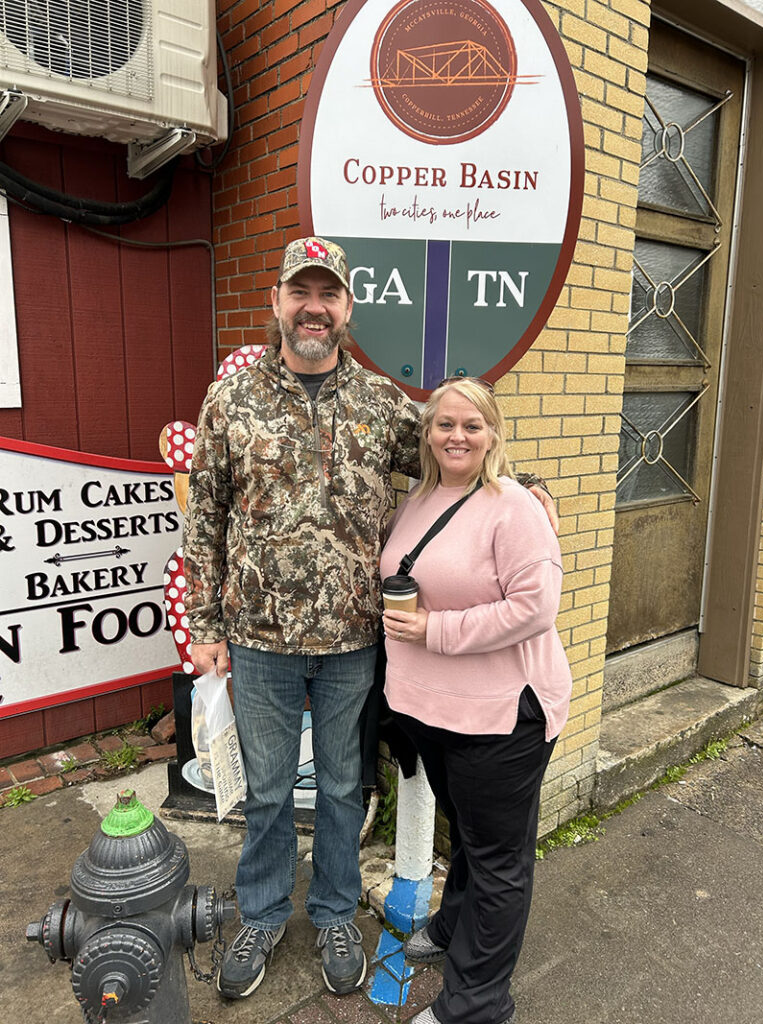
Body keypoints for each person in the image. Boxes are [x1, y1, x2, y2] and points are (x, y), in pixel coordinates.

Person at [182, 236, 558, 1002]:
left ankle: (332, 914)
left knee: (346, 786)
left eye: (328, 295)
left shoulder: (382, 404)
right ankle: (260, 912)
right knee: (269, 789)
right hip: (259, 638)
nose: (313, 308)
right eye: (300, 293)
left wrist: (529, 487)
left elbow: (459, 441)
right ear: (279, 302)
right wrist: (205, 624)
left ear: (347, 309)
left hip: (356, 639)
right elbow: (205, 514)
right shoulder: (232, 401)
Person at [380, 377, 573, 1024]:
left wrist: (437, 631)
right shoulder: (422, 495)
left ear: (493, 434)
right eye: (444, 425)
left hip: (501, 716)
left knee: (498, 861)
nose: (457, 436)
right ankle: (452, 925)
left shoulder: (514, 506)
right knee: (465, 833)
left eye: (472, 425)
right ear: (427, 433)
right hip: (434, 712)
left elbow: (536, 607)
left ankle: (476, 1004)